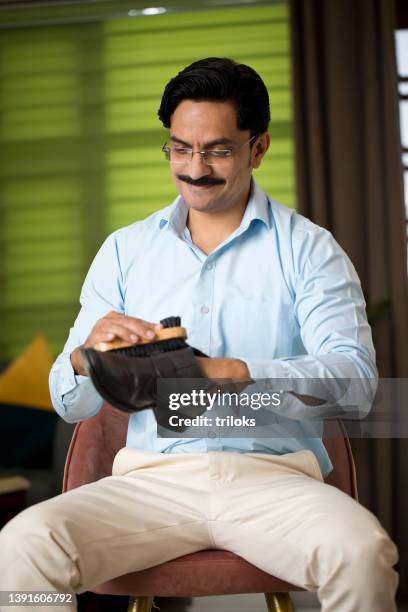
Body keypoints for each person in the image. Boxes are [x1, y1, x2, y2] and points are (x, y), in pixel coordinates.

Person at [0, 57, 399, 611]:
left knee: (364, 555)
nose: (194, 168)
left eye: (217, 150)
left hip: (275, 479)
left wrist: (237, 371)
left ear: (257, 148)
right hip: (149, 482)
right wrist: (86, 358)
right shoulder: (124, 251)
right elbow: (69, 405)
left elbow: (357, 384)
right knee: (21, 546)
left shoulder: (310, 248)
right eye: (180, 148)